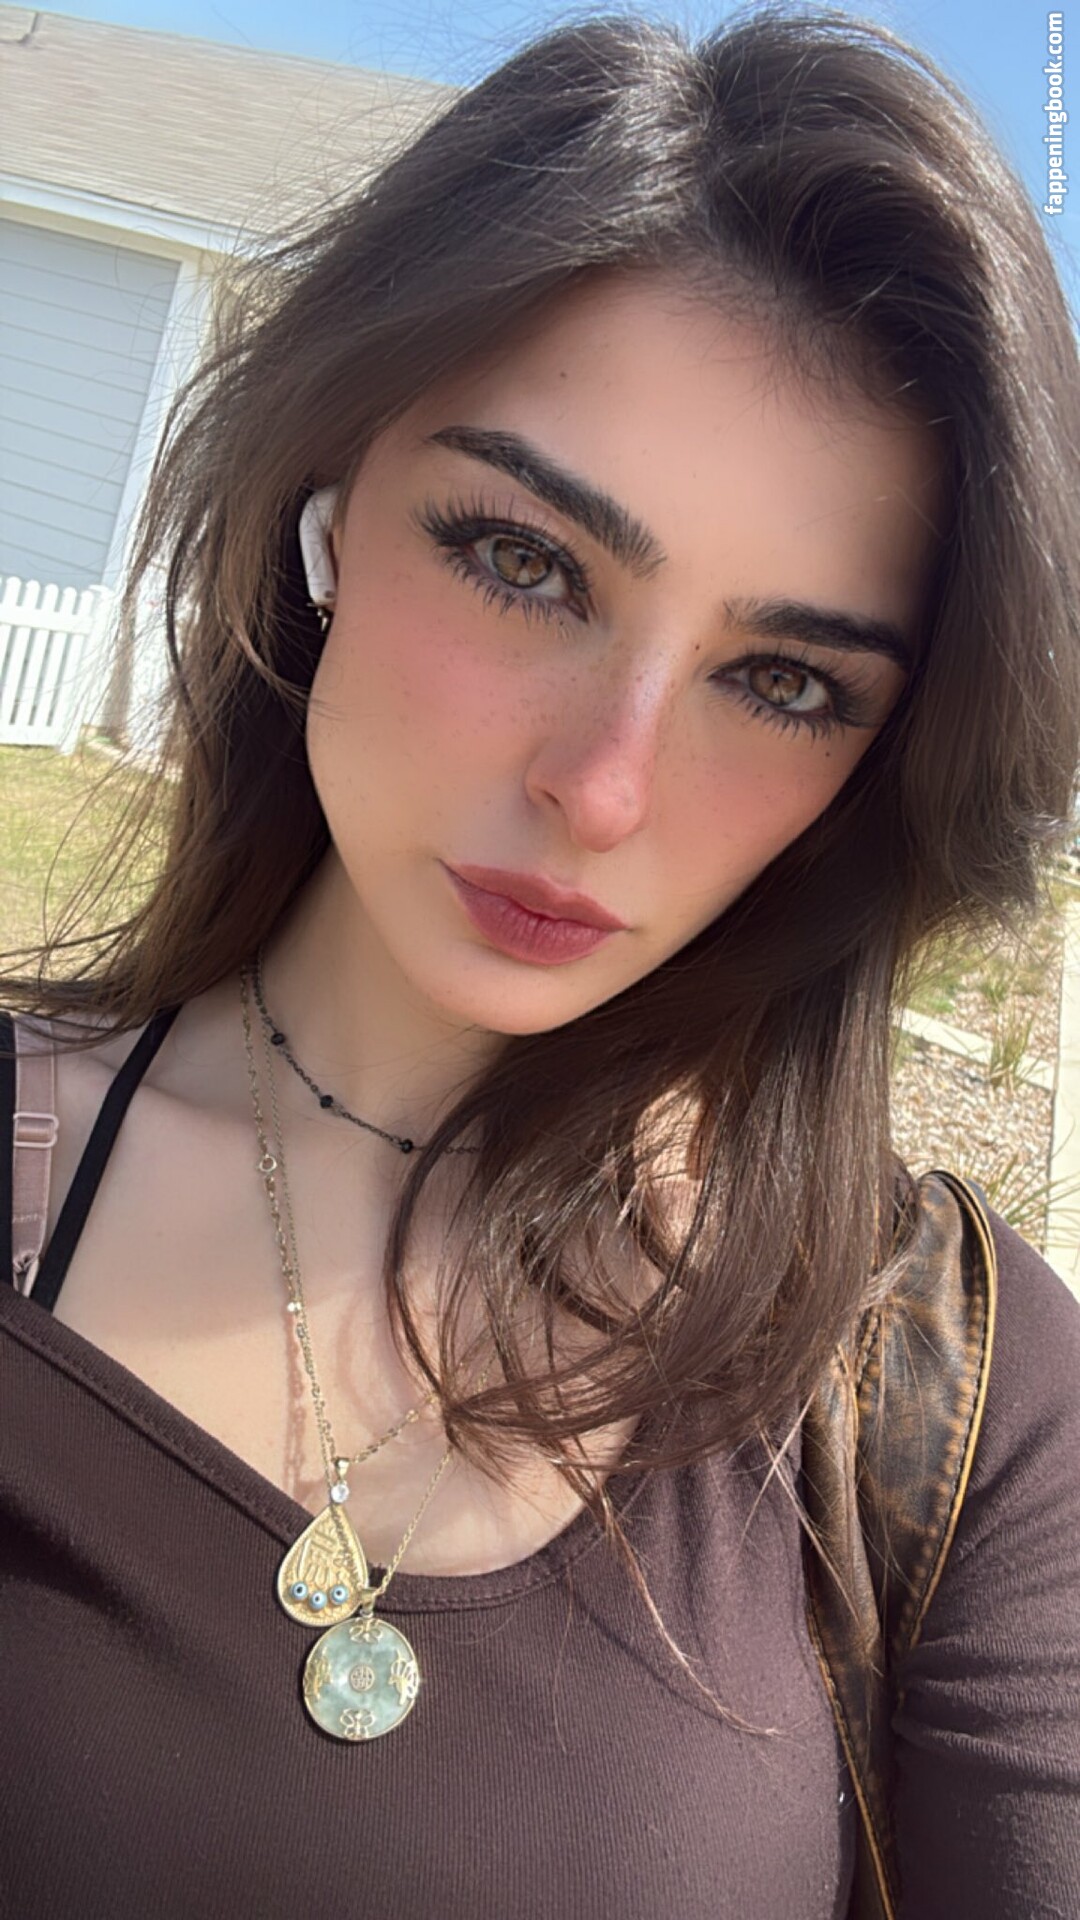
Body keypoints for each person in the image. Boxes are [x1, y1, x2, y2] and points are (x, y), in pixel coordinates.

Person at [2, 7, 1078, 1916]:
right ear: (327, 509)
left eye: (783, 680)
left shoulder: (963, 1397)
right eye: (525, 562)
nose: (605, 788)